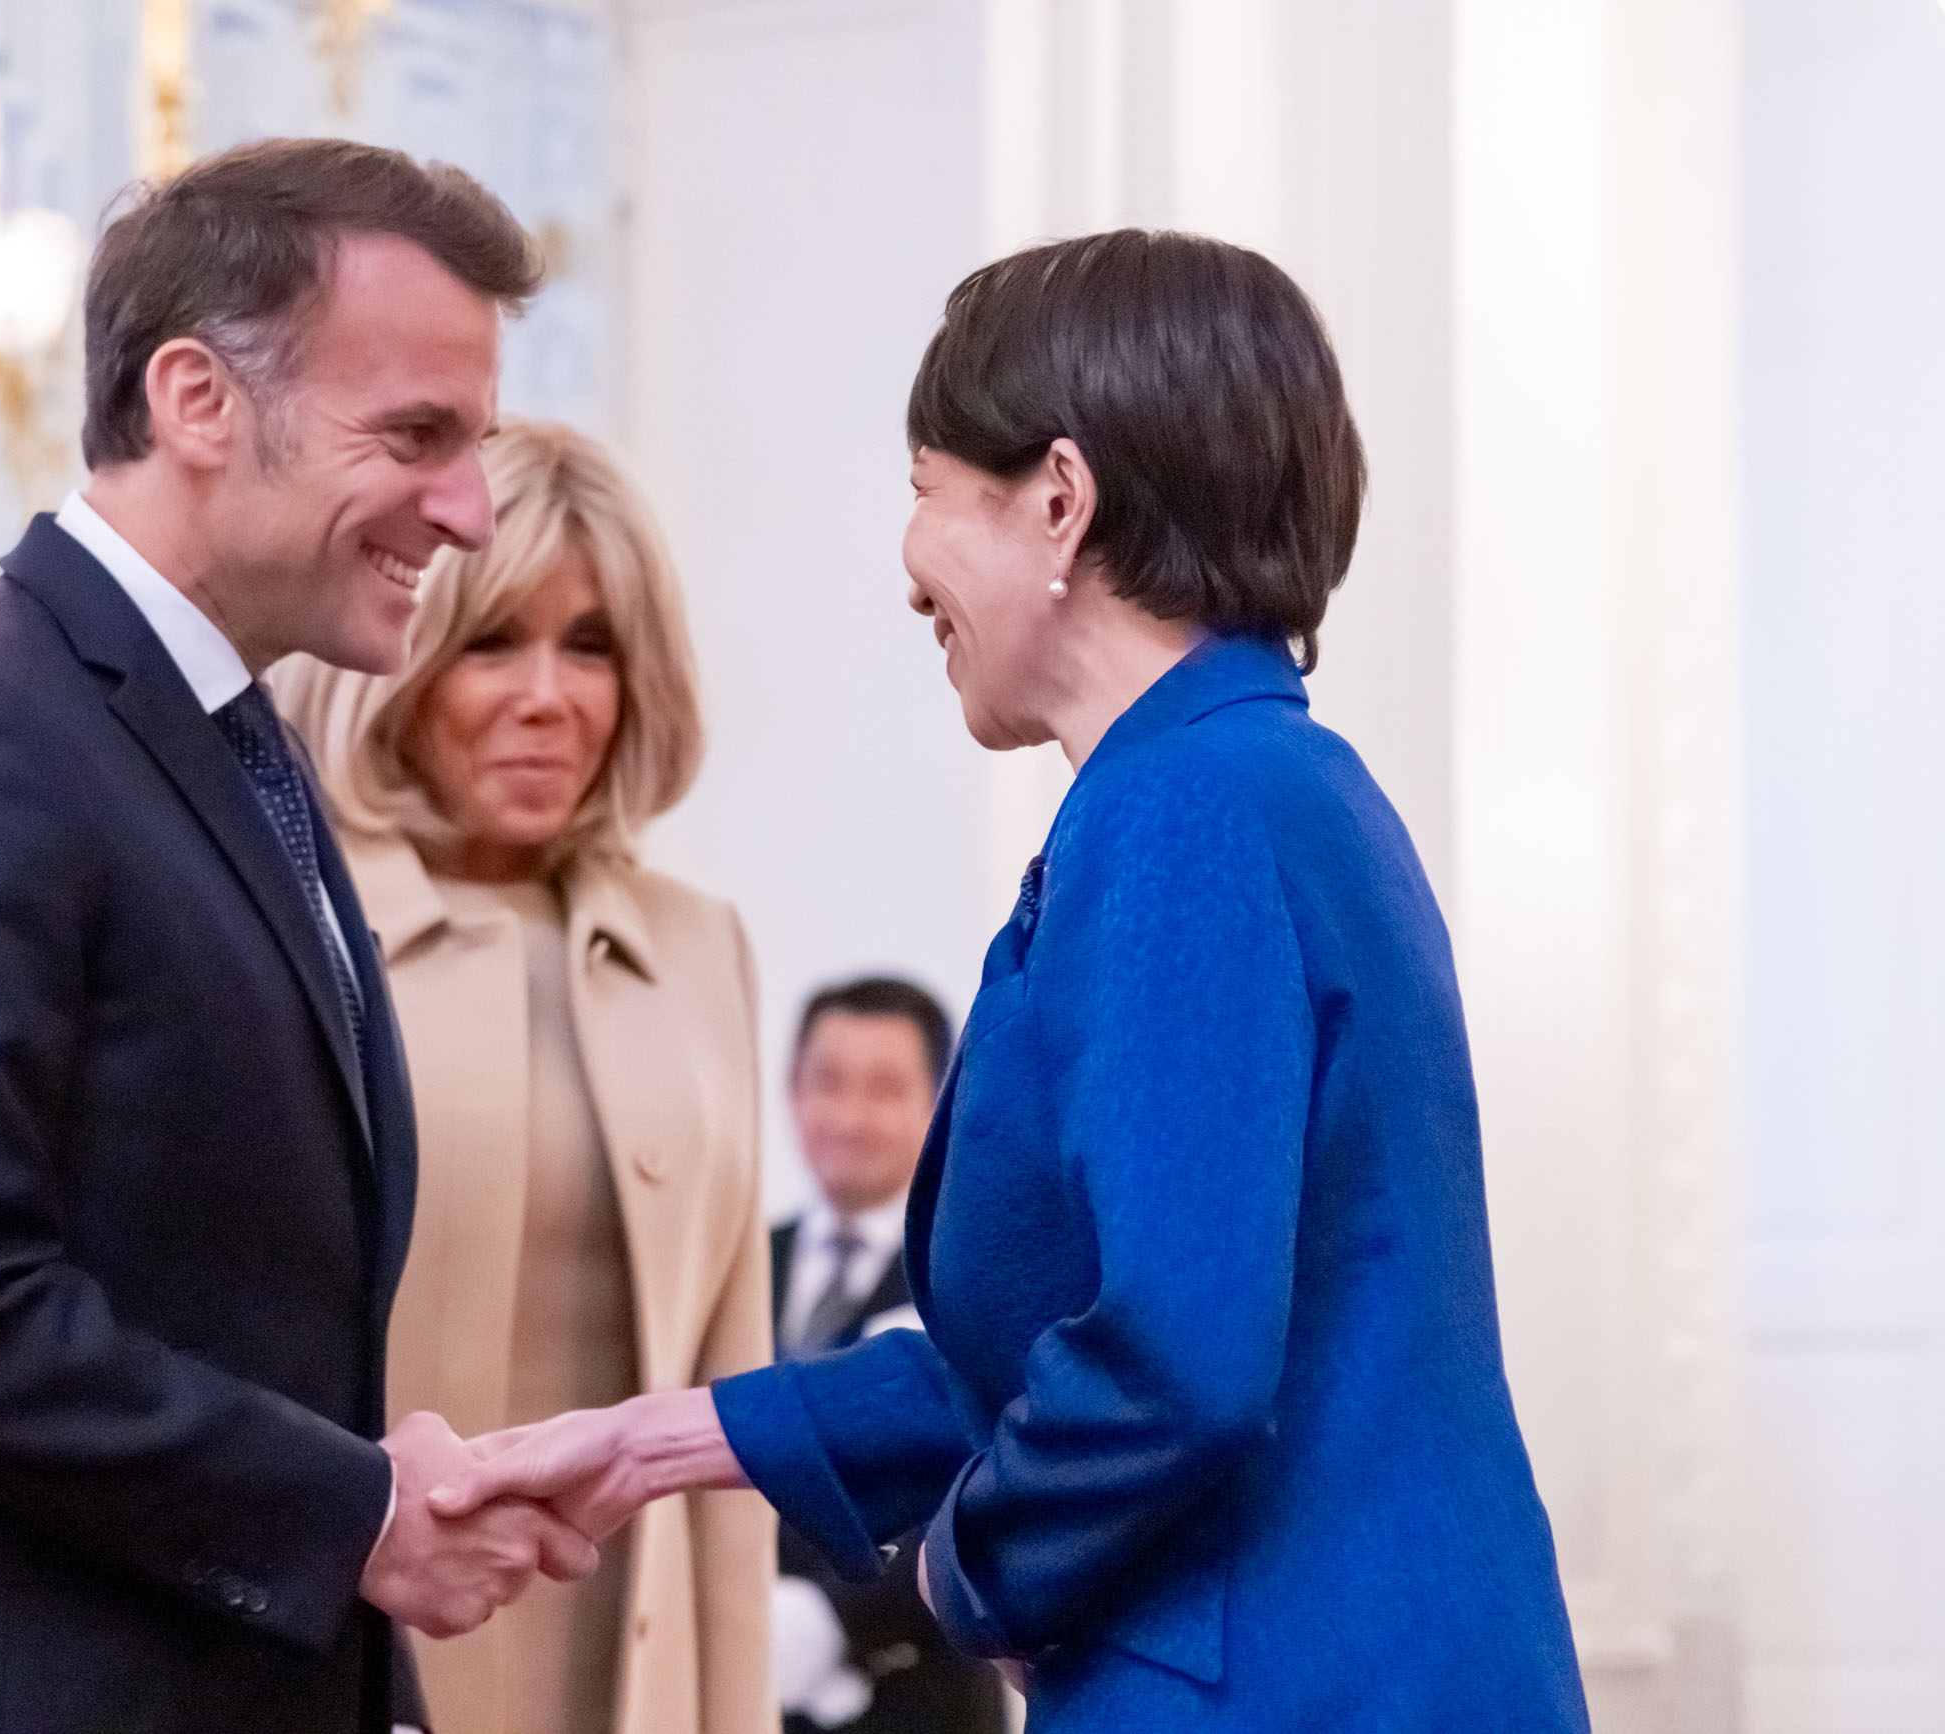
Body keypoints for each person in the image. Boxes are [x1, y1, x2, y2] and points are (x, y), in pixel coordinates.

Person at [431, 229, 1592, 1730]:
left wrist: (960, 1579)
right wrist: (651, 1440)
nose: (910, 566)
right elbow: (1034, 1353)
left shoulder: (1186, 809)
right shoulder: (1266, 781)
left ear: (1059, 498)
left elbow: (1172, 1364)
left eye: (926, 493)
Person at [0, 140, 597, 1734]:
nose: (469, 510)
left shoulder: (230, 747)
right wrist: (350, 1513)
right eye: (417, 436)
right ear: (198, 399)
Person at [269, 416, 773, 1734]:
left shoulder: (696, 942)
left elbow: (731, 1407)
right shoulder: (287, 931)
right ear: (401, 663)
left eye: (591, 644)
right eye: (494, 640)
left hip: (635, 1684)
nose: (548, 694)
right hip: (340, 1665)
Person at [768, 978, 998, 1734]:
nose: (848, 1117)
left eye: (885, 1089)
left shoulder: (970, 1281)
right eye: (826, 1082)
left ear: (941, 1101)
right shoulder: (740, 1265)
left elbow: (986, 1489)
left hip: (917, 1694)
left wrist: (834, 1618)